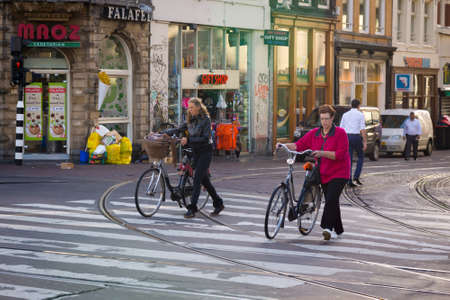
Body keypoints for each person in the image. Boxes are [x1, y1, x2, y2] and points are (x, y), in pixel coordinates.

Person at [278, 105, 350, 241]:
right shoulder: (315, 133)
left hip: (340, 172)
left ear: (332, 118)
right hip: (323, 172)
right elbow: (298, 145)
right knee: (332, 201)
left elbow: (340, 155)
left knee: (331, 199)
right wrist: (282, 145)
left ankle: (327, 228)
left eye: (327, 119)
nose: (324, 122)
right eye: (322, 119)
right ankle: (338, 229)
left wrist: (322, 153)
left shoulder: (340, 133)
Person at [180, 98, 224, 218]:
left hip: (205, 152)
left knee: (197, 180)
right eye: (188, 108)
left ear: (198, 107)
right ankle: (218, 203)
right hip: (196, 153)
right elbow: (179, 128)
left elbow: (205, 138)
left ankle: (192, 208)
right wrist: (163, 133)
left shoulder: (206, 120)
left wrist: (188, 140)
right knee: (205, 181)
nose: (189, 110)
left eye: (191, 108)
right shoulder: (190, 119)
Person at [339, 99, 367, 187]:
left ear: (351, 105)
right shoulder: (360, 115)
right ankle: (356, 176)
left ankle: (349, 179)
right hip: (356, 137)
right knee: (361, 156)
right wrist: (365, 142)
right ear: (358, 105)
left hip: (346, 137)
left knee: (349, 158)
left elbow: (341, 128)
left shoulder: (345, 115)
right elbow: (362, 129)